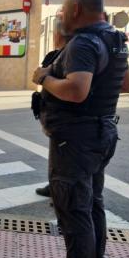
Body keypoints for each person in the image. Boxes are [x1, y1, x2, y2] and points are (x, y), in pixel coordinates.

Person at [32, 0, 129, 258]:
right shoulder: (114, 39)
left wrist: (44, 77)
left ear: (76, 10)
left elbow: (77, 90)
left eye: (63, 9)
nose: (61, 14)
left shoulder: (84, 43)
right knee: (92, 202)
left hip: (75, 140)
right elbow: (127, 85)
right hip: (102, 133)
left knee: (73, 205)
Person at [35, 11, 73, 199]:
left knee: (64, 162)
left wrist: (43, 77)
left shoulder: (69, 55)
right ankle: (55, 187)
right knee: (57, 158)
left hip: (66, 120)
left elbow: (70, 89)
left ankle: (60, 194)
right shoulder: (57, 55)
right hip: (57, 119)